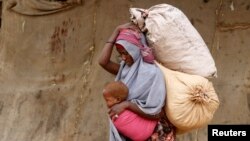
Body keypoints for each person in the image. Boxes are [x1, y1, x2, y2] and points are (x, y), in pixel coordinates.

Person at [99, 22, 176, 141]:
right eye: (120, 54)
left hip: (156, 133)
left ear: (135, 49)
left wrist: (127, 105)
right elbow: (103, 62)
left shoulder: (153, 73)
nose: (123, 58)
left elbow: (157, 113)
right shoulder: (125, 70)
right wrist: (116, 30)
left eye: (126, 53)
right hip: (133, 132)